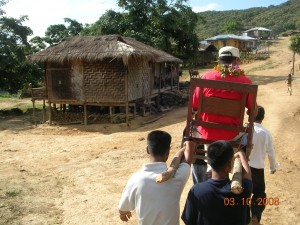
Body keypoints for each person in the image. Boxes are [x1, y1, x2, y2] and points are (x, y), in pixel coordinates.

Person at [190, 46, 257, 182]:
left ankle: (201, 178)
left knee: (192, 133)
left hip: (206, 133)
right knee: (249, 133)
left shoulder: (206, 77)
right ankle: (236, 161)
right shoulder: (245, 81)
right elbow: (253, 112)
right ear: (236, 60)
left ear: (218, 61)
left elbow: (194, 107)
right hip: (231, 135)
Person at [118, 130, 194, 225]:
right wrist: (186, 146)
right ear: (168, 152)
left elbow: (123, 208)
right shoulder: (178, 177)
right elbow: (187, 159)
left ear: (147, 150)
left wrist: (122, 213)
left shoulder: (136, 179)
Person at [181, 140, 252, 225]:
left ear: (209, 162)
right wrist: (241, 155)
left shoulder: (196, 191)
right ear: (229, 164)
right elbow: (247, 176)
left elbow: (189, 221)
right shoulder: (241, 190)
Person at [248, 106, 279, 225]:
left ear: (251, 116)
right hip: (258, 170)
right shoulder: (266, 133)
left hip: (245, 168)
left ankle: (244, 217)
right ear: (263, 118)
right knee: (259, 194)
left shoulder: (246, 129)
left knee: (242, 194)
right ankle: (255, 216)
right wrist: (273, 167)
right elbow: (271, 153)